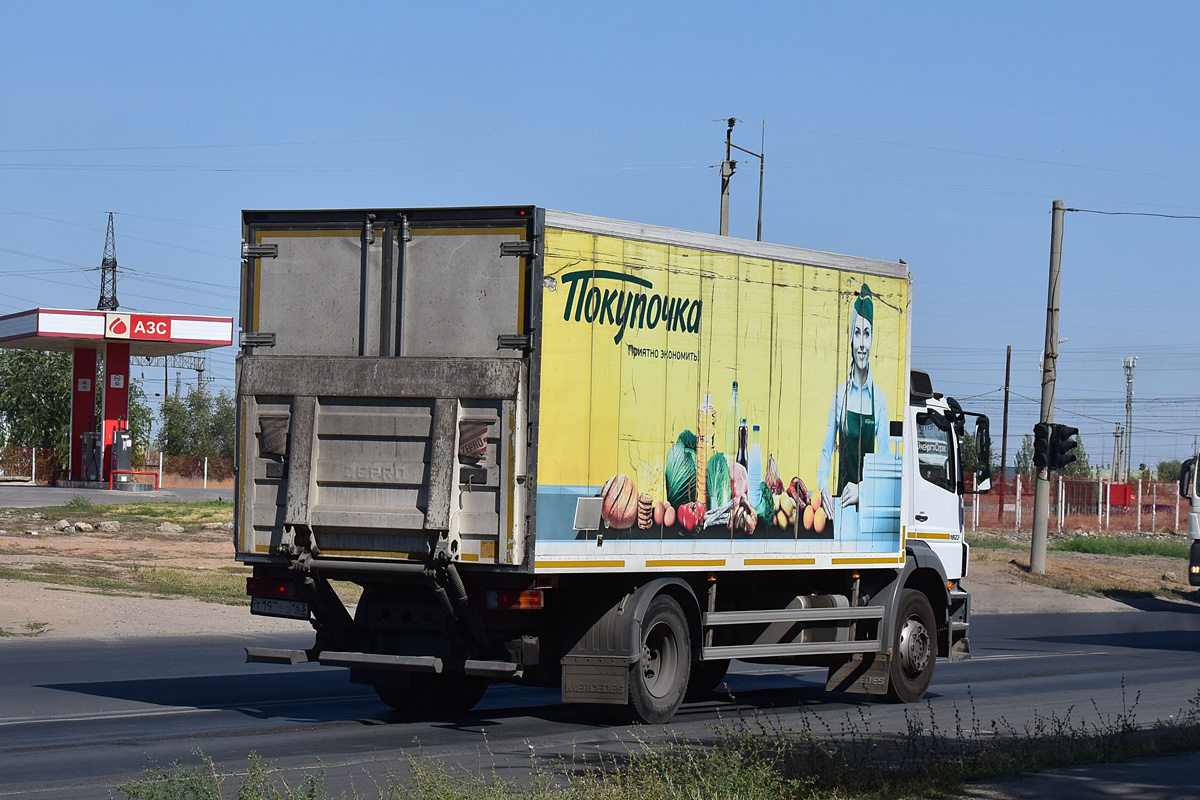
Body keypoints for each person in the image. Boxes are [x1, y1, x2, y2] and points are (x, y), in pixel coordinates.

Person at [818, 283, 890, 538]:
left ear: (873, 340)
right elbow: (827, 451)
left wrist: (863, 489)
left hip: (869, 510)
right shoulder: (840, 396)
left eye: (867, 334)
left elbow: (886, 467)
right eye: (857, 333)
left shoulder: (879, 401)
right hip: (840, 509)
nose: (862, 343)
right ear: (851, 338)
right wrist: (823, 488)